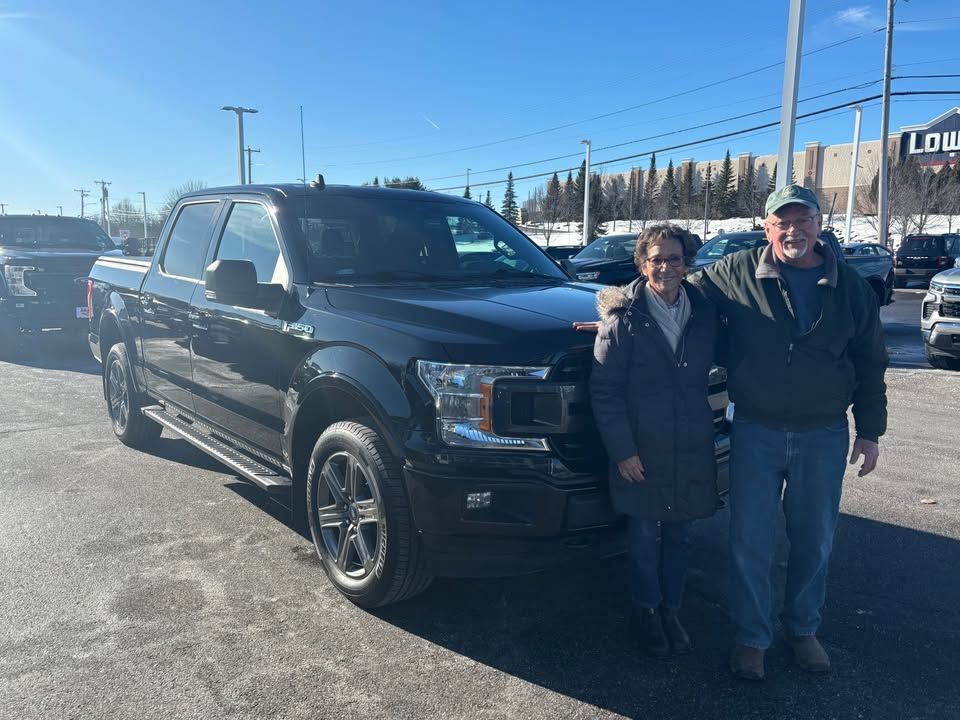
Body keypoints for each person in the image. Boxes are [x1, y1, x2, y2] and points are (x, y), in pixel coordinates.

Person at [690, 184, 888, 681]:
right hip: (756, 428)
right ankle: (752, 638)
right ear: (767, 227)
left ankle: (802, 629)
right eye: (783, 221)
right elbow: (671, 287)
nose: (793, 230)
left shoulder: (850, 286)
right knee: (749, 540)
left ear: (820, 224)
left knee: (814, 539)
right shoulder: (736, 271)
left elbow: (870, 362)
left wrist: (870, 430)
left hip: (823, 432)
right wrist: (613, 311)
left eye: (803, 220)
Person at [590, 224, 720, 657]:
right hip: (641, 449)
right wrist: (623, 452)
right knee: (644, 535)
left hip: (689, 445)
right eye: (656, 259)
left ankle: (672, 609)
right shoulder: (622, 317)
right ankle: (647, 610)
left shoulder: (703, 311)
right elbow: (605, 391)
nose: (665, 267)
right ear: (642, 263)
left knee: (681, 534)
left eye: (674, 259)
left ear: (687, 264)